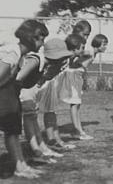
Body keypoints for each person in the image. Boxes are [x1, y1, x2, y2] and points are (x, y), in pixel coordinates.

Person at [17, 38, 79, 162]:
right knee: (29, 116)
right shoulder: (36, 59)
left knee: (32, 116)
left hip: (29, 88)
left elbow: (40, 80)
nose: (62, 60)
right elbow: (18, 78)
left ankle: (42, 148)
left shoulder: (49, 64)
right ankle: (36, 150)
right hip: (19, 89)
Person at [0, 19, 48, 178]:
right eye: (40, 38)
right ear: (30, 37)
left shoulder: (20, 55)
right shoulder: (12, 52)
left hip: (6, 91)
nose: (42, 43)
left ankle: (21, 167)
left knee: (12, 129)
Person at [38, 36, 84, 150]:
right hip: (40, 85)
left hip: (50, 84)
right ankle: (40, 145)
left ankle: (54, 140)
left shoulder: (68, 60)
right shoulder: (44, 61)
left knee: (51, 112)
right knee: (36, 114)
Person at [60, 33, 108, 140]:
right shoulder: (89, 52)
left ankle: (78, 129)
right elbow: (75, 55)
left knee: (77, 104)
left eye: (106, 44)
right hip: (73, 75)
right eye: (103, 44)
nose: (105, 47)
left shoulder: (93, 53)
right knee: (75, 104)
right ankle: (77, 131)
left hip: (78, 76)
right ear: (97, 44)